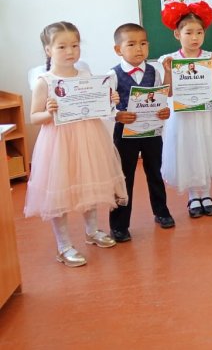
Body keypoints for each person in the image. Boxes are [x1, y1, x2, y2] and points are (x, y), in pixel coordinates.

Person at [24, 22, 127, 267]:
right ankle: (64, 246)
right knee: (60, 191)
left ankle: (92, 231)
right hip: (58, 142)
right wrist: (49, 112)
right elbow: (34, 117)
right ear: (48, 50)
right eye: (62, 47)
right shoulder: (44, 81)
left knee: (88, 184)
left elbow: (97, 106)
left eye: (75, 45)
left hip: (88, 137)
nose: (70, 51)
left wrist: (109, 99)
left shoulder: (86, 76)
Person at [159, 1, 212, 218]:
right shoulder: (170, 60)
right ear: (177, 34)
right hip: (183, 115)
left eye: (199, 32)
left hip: (207, 113)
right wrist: (168, 72)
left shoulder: (211, 56)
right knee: (188, 149)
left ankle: (207, 194)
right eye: (189, 32)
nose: (195, 37)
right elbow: (168, 92)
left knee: (207, 147)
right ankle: (193, 195)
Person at [108, 23, 174, 243]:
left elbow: (159, 99)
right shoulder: (113, 74)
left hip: (151, 131)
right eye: (132, 44)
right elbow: (106, 105)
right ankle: (119, 225)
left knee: (155, 172)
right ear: (118, 49)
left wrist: (164, 111)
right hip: (125, 132)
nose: (139, 49)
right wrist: (117, 115)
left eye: (143, 43)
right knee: (124, 177)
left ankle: (161, 212)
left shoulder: (153, 71)